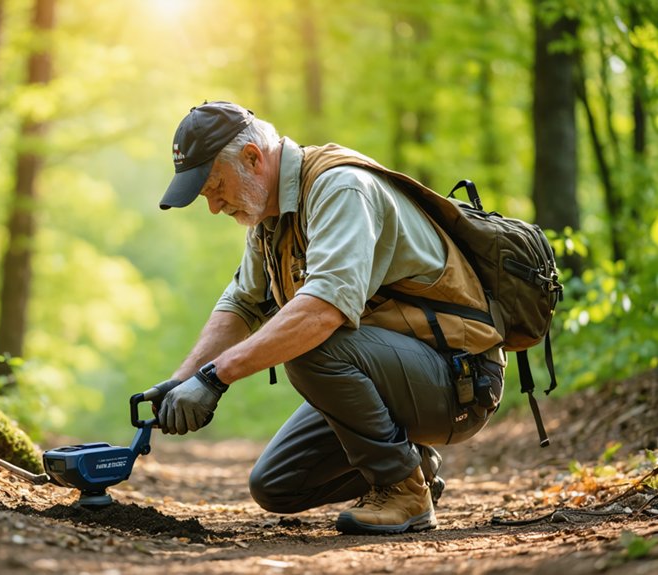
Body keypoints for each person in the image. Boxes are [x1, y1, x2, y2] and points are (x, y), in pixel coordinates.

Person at [146, 101, 506, 535]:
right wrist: (185, 379)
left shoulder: (340, 189)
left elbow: (320, 313)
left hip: (460, 379)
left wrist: (216, 377)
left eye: (215, 187)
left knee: (309, 341)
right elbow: (242, 303)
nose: (214, 206)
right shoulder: (269, 217)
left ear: (253, 159)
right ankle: (412, 464)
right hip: (400, 374)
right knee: (276, 485)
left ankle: (403, 490)